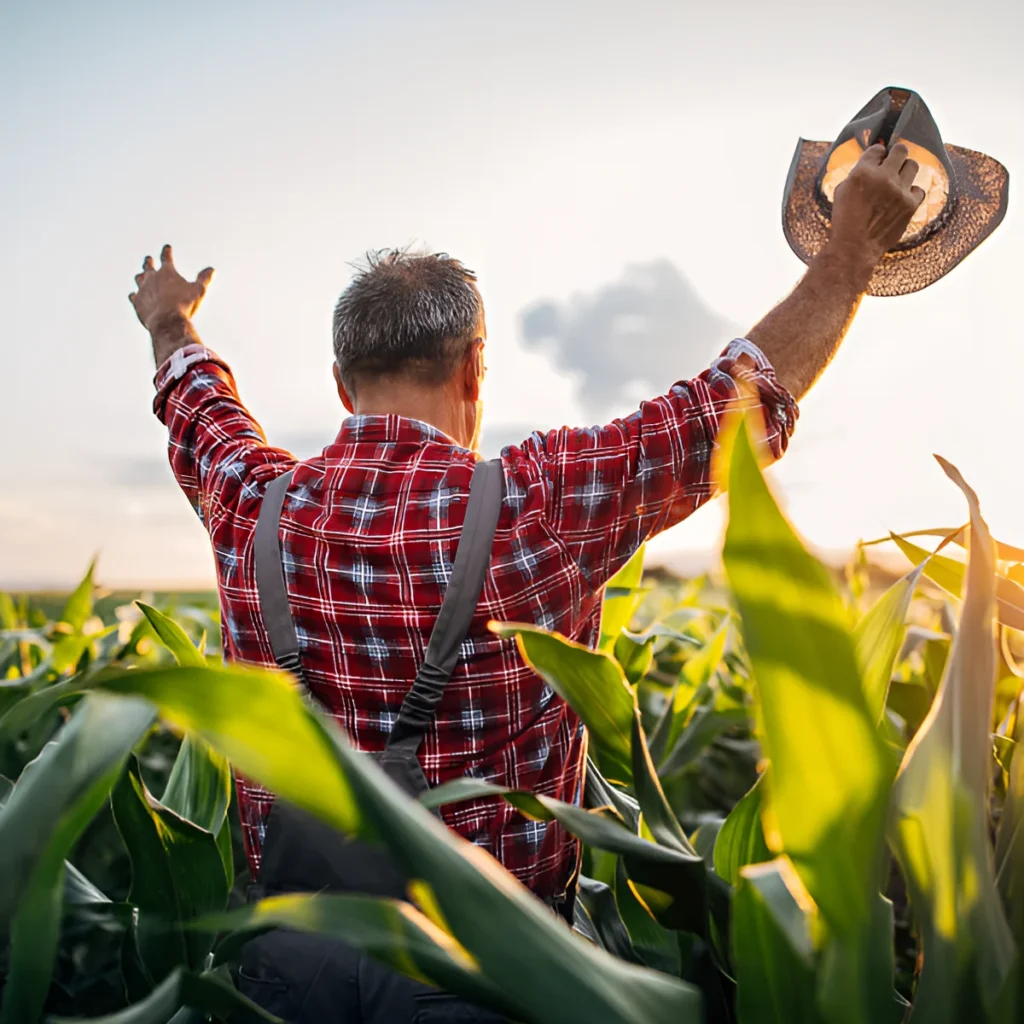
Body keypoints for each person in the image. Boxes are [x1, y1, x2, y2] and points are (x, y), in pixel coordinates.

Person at [128, 141, 924, 1022]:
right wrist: (851, 253)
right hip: (482, 975)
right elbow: (735, 406)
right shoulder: (537, 504)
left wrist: (171, 317)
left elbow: (197, 399)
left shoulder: (250, 500)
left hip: (290, 965)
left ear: (341, 387)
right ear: (475, 367)